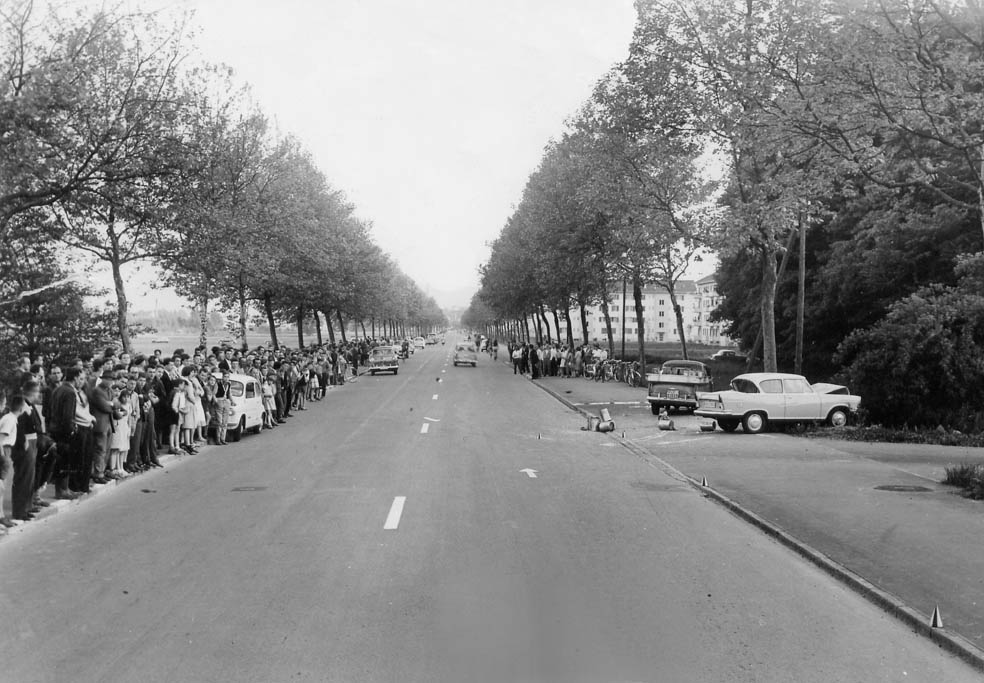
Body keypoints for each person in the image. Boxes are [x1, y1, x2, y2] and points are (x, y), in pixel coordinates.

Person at [11, 382, 43, 520]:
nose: (38, 395)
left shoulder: (29, 405)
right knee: (24, 476)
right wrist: (23, 441)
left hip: (32, 440)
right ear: (32, 392)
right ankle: (19, 510)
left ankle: (27, 506)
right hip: (26, 442)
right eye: (37, 392)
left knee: (30, 476)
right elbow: (19, 425)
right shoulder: (23, 405)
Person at [0, 391, 22, 528]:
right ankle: (1, 516)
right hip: (4, 450)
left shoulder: (7, 418)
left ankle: (1, 515)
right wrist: (3, 457)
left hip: (6, 450)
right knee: (1, 486)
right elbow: (1, 439)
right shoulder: (9, 419)